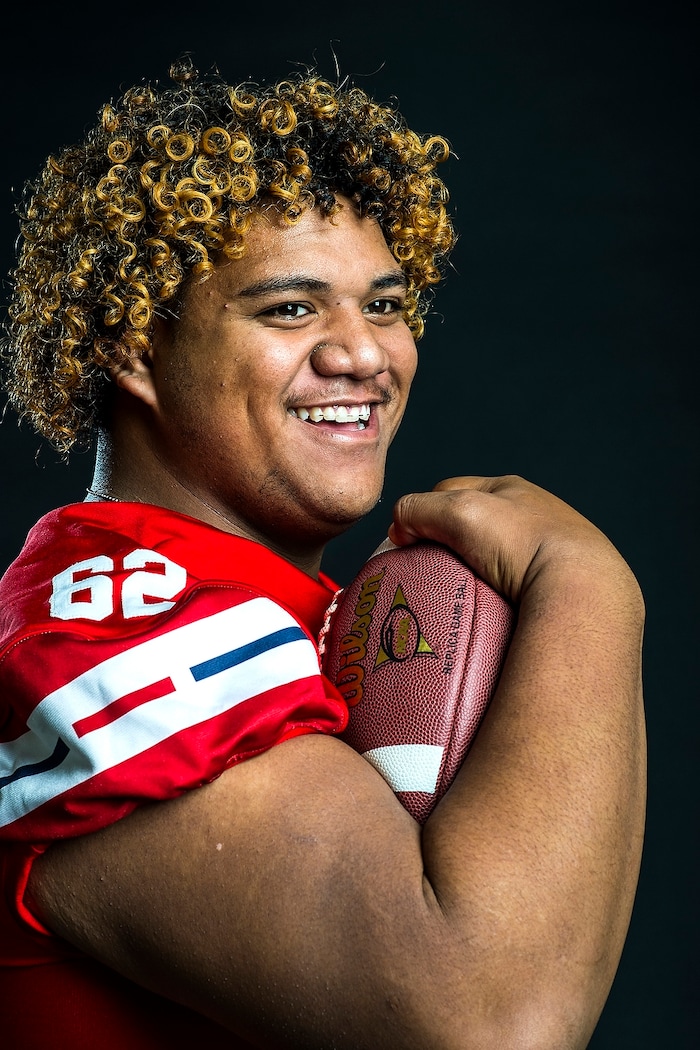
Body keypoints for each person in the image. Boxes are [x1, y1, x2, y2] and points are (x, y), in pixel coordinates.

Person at [0, 57, 646, 1049]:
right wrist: (592, 586)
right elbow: (489, 1024)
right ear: (133, 347)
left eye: (383, 304)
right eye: (291, 308)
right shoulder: (109, 623)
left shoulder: (278, 610)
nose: (364, 354)